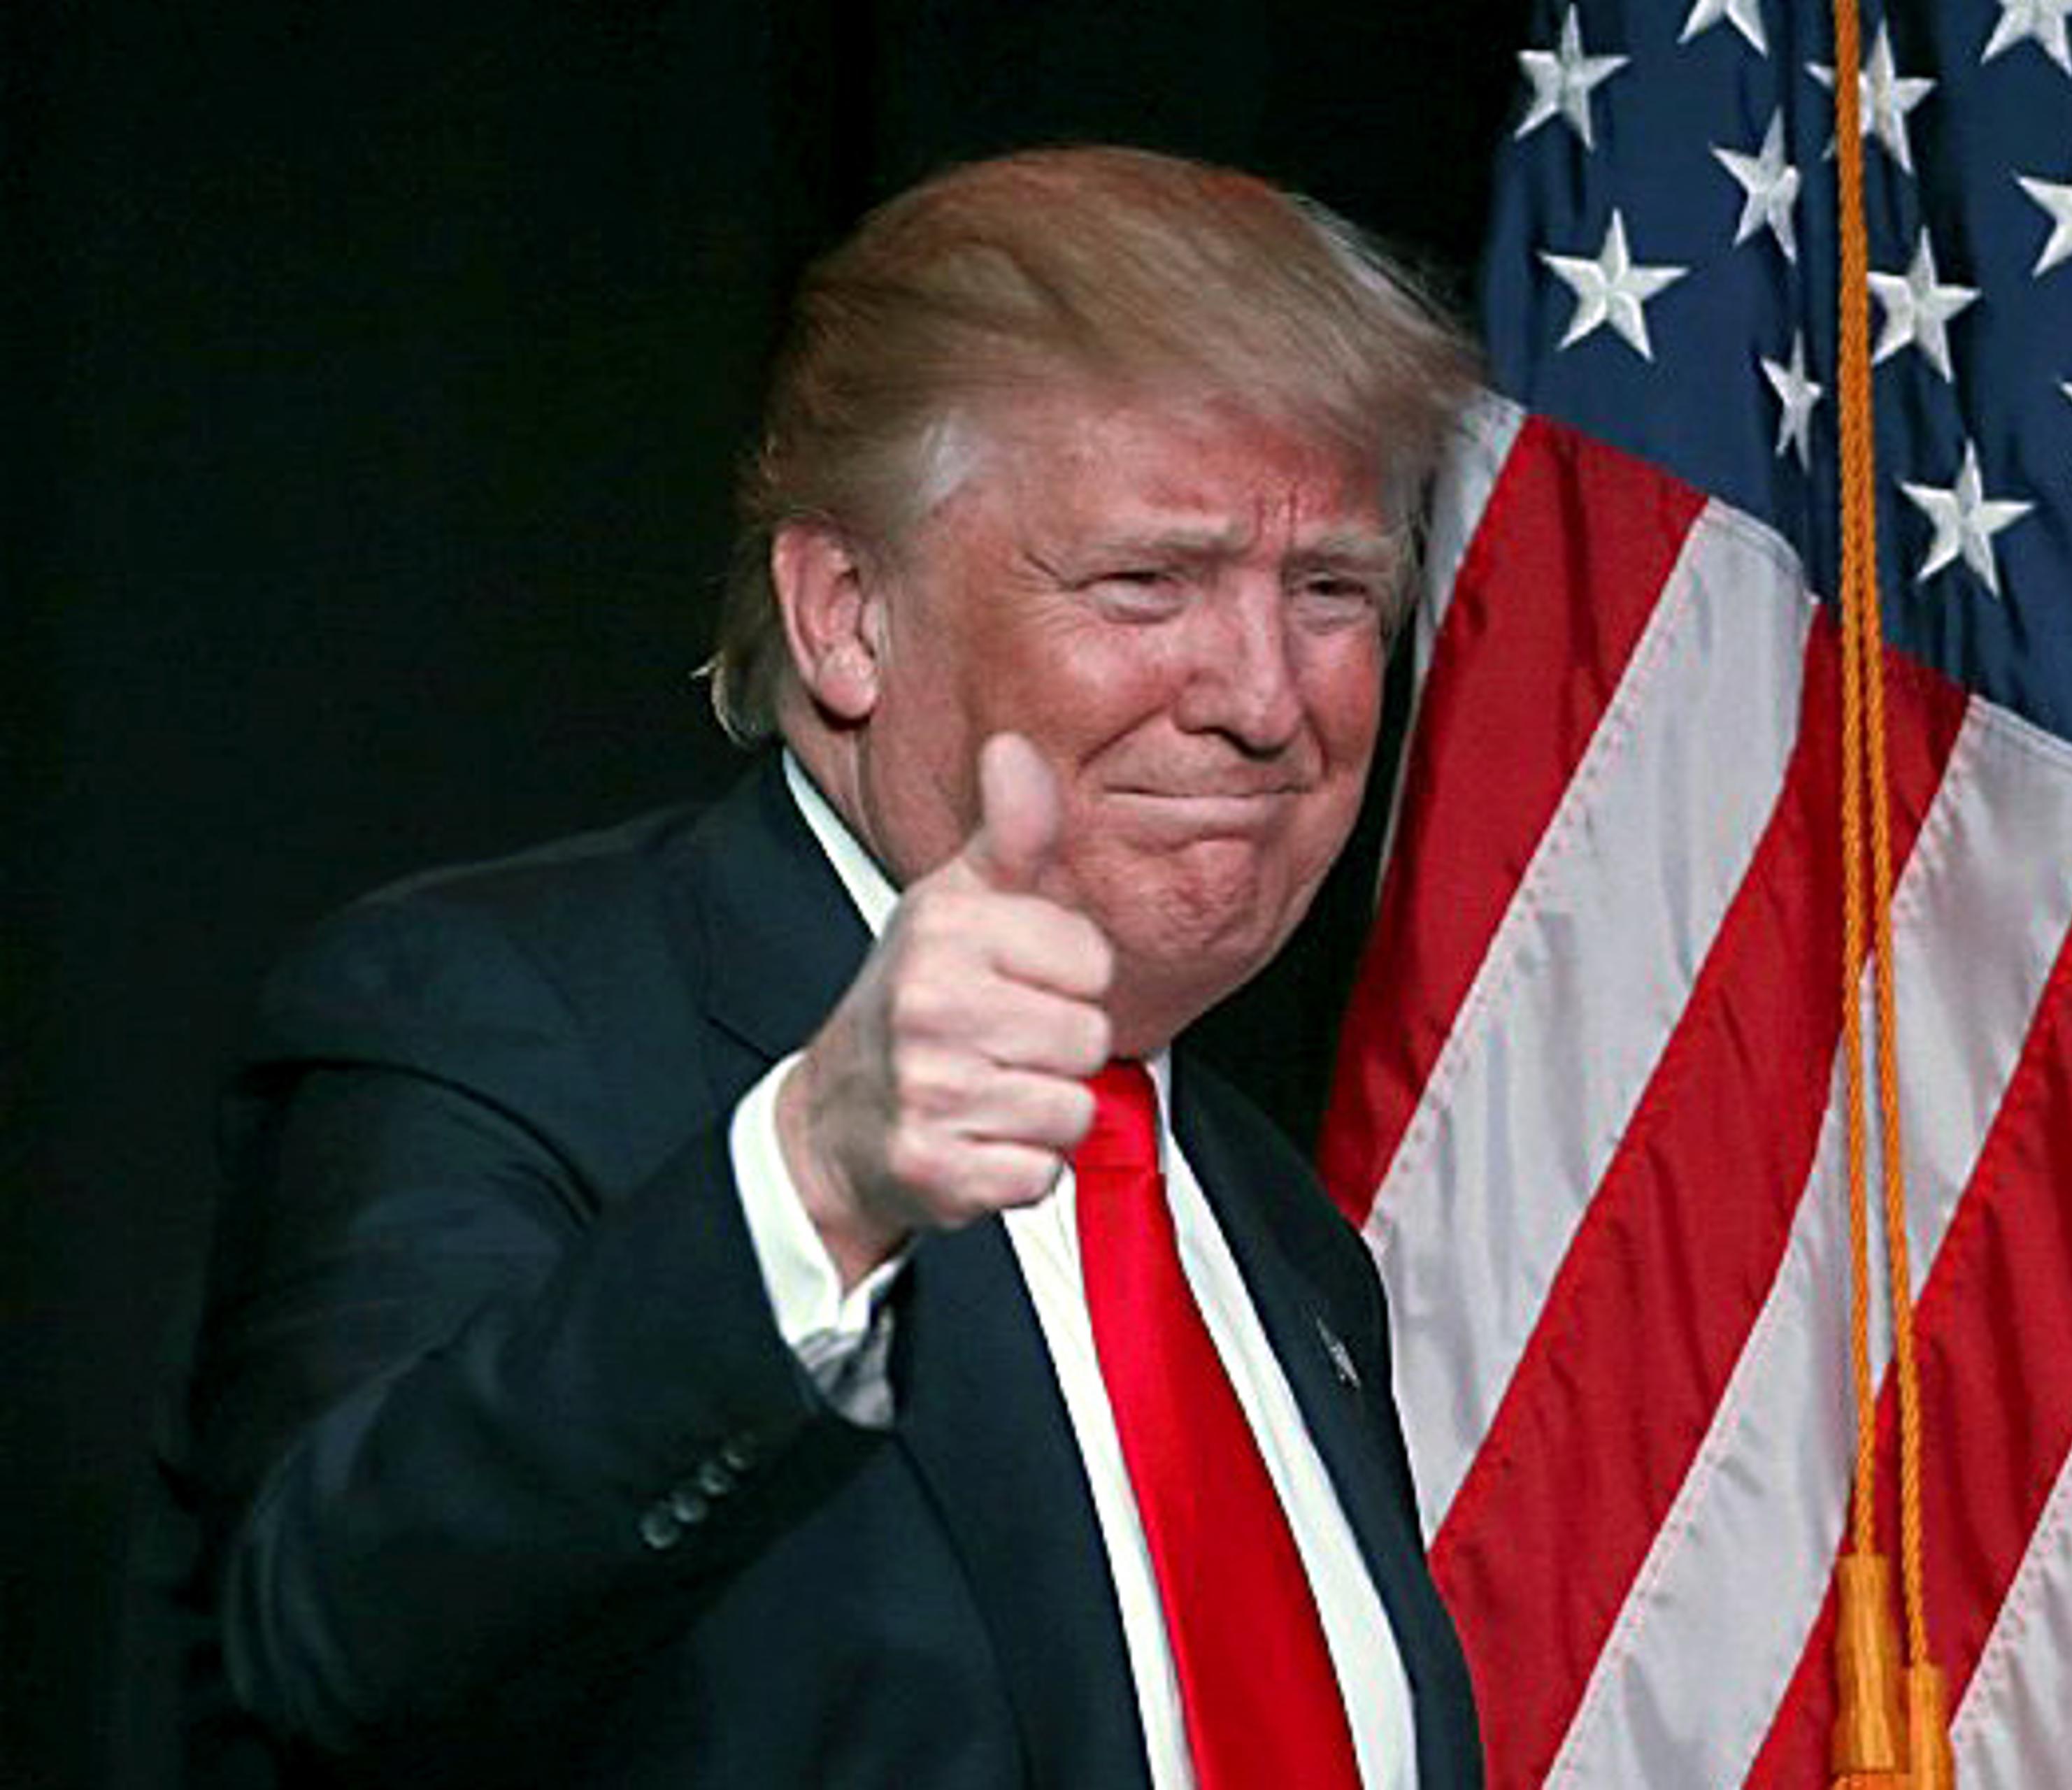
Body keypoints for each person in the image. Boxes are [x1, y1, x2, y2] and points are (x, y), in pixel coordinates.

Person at [178, 145, 1483, 1787]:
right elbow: (330, 1641)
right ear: (847, 613)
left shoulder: (1281, 1229)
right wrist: (811, 1187)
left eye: (1332, 590)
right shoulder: (497, 1022)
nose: (1266, 697)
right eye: (1147, 581)